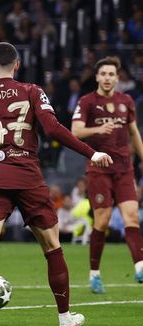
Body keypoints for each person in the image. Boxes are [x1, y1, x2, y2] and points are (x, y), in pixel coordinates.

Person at [0, 42, 112, 326]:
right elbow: (53, 129)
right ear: (17, 64)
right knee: (52, 248)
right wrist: (91, 153)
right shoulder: (32, 91)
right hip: (27, 177)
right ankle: (65, 319)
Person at [70, 56, 143, 293]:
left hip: (124, 168)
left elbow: (134, 132)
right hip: (98, 169)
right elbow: (75, 131)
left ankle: (140, 267)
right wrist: (98, 129)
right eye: (103, 74)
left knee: (131, 216)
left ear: (117, 77)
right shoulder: (87, 101)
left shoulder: (126, 101)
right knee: (102, 221)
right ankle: (94, 274)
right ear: (97, 77)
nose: (108, 78)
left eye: (112, 74)